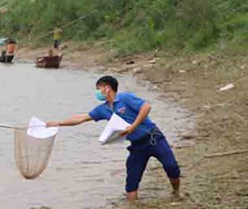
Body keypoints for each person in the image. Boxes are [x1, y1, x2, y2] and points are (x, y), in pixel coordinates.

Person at [46, 76, 181, 202]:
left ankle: (176, 192)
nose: (98, 93)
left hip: (154, 138)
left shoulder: (125, 98)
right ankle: (132, 208)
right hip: (137, 146)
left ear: (107, 88)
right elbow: (81, 118)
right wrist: (58, 123)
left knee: (171, 167)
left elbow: (146, 107)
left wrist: (133, 126)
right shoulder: (103, 109)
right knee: (131, 180)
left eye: (99, 89)